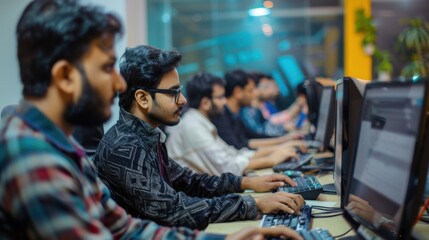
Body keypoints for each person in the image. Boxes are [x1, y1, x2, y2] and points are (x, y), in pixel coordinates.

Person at [0, 1, 303, 239]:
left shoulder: (64, 149)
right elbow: (169, 212)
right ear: (65, 77)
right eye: (107, 69)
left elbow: (125, 229)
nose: (120, 86)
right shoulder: (32, 156)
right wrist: (249, 205)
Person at [94, 45, 305, 230]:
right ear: (142, 98)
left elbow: (190, 182)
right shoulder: (124, 147)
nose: (183, 100)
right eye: (173, 92)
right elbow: (172, 210)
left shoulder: (146, 136)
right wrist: (253, 203)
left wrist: (246, 182)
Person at [166, 72, 298, 176]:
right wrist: (272, 159)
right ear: (205, 103)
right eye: (220, 97)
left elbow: (233, 153)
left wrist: (276, 152)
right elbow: (227, 168)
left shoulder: (200, 122)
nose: (224, 102)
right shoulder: (192, 126)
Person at [210, 69, 305, 150]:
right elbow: (239, 147)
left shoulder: (235, 114)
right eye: (250, 91)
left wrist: (284, 140)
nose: (255, 94)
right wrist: (279, 148)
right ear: (238, 92)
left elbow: (250, 138)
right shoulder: (223, 117)